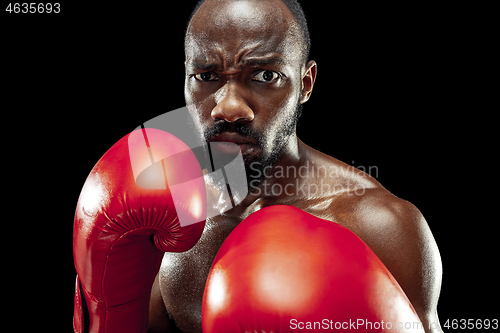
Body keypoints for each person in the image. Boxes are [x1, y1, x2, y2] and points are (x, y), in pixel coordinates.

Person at [73, 0, 443, 332]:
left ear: (306, 84)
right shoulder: (163, 209)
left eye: (265, 76)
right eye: (207, 76)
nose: (229, 107)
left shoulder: (380, 225)